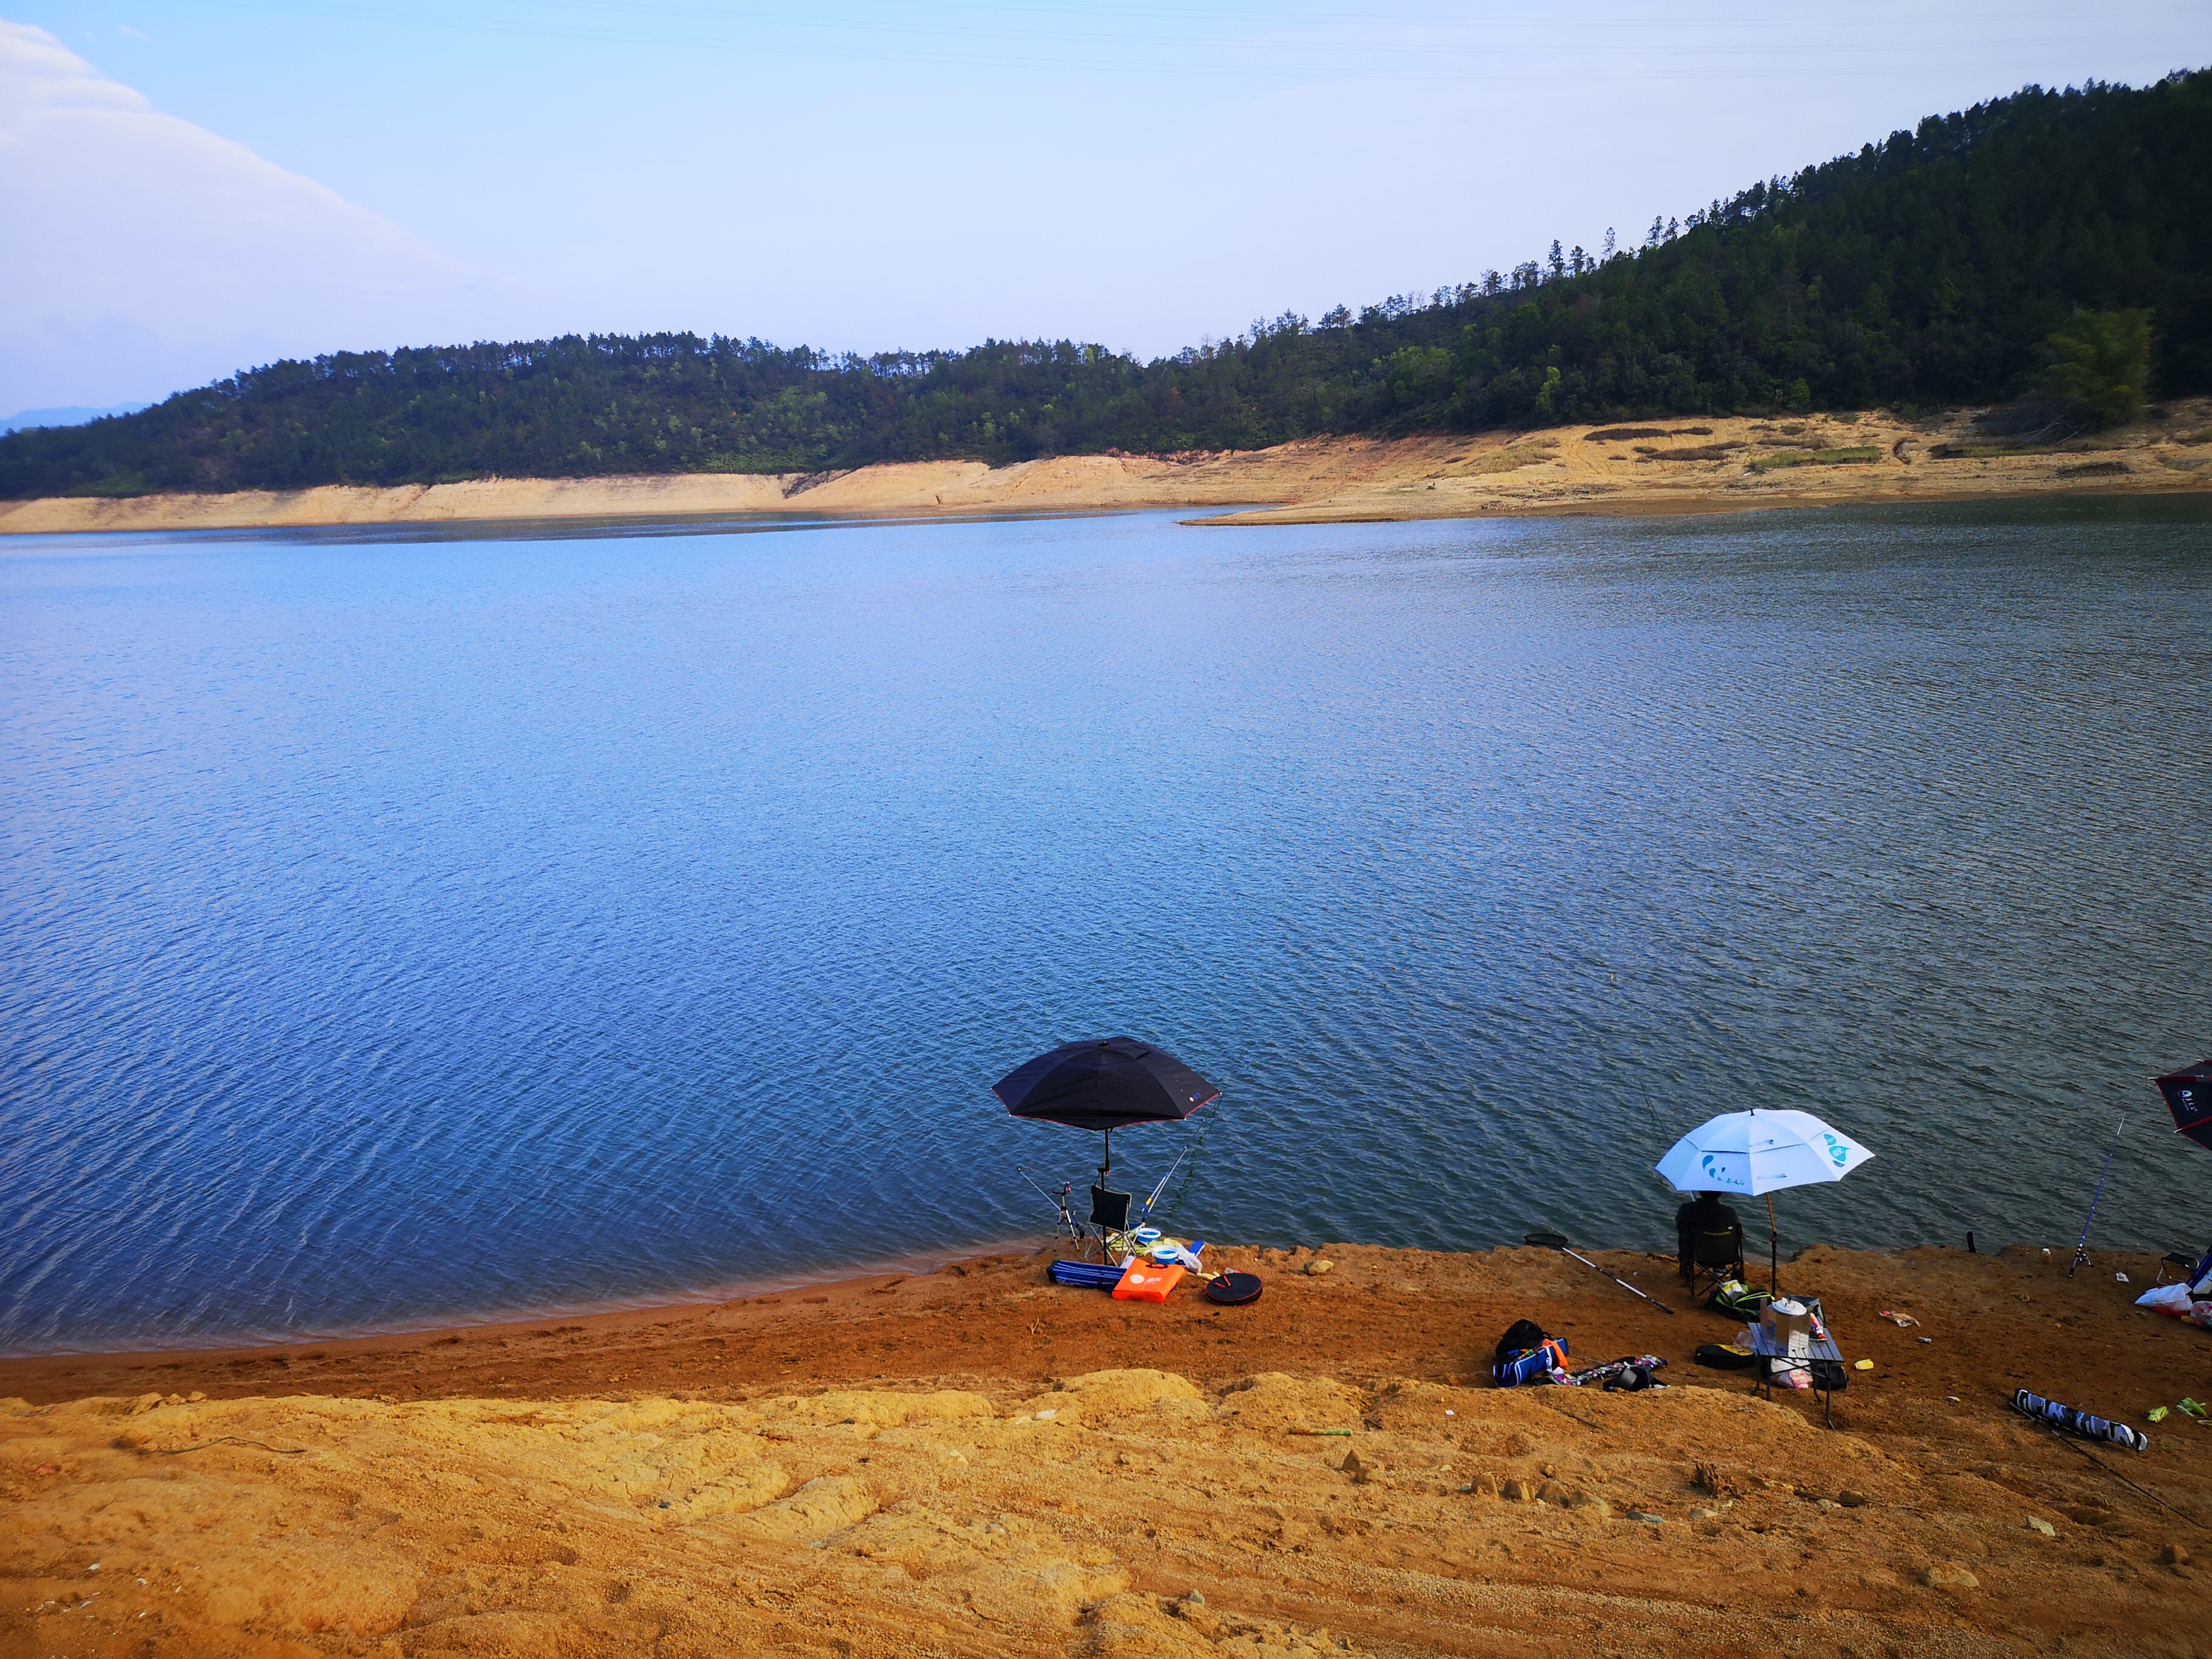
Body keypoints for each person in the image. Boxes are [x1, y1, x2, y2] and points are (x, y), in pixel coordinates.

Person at [1675, 1190, 1743, 1283]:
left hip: (1695, 1256)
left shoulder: (1687, 1209)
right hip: (1726, 1256)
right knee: (1721, 1236)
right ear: (1721, 1193)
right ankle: (1719, 1268)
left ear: (1700, 1191)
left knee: (1686, 1233)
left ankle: (1687, 1265)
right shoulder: (1730, 1212)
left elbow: (1679, 1227)